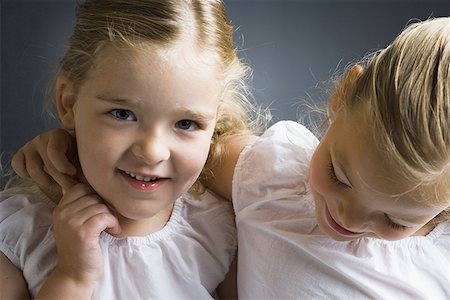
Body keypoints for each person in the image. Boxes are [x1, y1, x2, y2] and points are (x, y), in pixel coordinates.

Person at [10, 16, 450, 299]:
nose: (349, 218)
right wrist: (74, 143)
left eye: (396, 219)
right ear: (344, 95)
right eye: (339, 175)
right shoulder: (273, 178)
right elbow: (180, 145)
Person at [0, 0, 269, 299]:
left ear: (215, 122)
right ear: (68, 102)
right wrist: (73, 277)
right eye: (123, 114)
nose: (153, 152)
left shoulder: (218, 230)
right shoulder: (17, 234)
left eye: (186, 123)